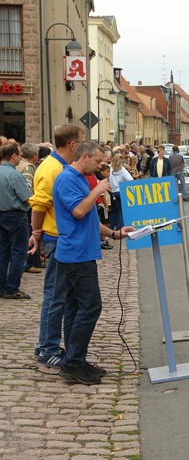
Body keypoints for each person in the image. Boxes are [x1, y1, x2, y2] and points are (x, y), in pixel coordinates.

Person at [53, 140, 134, 384]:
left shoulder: (79, 179)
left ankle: (75, 359)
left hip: (82, 251)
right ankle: (73, 363)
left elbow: (87, 217)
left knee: (76, 308)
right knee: (91, 306)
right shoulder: (68, 179)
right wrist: (97, 191)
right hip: (75, 254)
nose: (100, 167)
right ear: (84, 156)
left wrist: (114, 233)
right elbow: (78, 210)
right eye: (98, 161)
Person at [30, 123, 83, 367]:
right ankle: (47, 348)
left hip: (55, 236)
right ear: (72, 144)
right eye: (80, 141)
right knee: (55, 297)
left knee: (59, 296)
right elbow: (39, 204)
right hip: (54, 237)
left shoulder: (57, 166)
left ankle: (46, 344)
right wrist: (36, 232)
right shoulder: (53, 168)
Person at [0, 142, 32, 299]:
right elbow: (27, 198)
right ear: (13, 155)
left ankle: (1, 286)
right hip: (15, 215)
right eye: (19, 154)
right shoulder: (14, 175)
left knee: (2, 252)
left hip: (1, 214)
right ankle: (12, 287)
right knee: (19, 252)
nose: (21, 158)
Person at [17, 143, 42, 273]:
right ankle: (30, 262)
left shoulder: (20, 164)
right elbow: (27, 187)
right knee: (31, 234)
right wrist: (32, 202)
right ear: (34, 155)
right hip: (28, 205)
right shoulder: (27, 168)